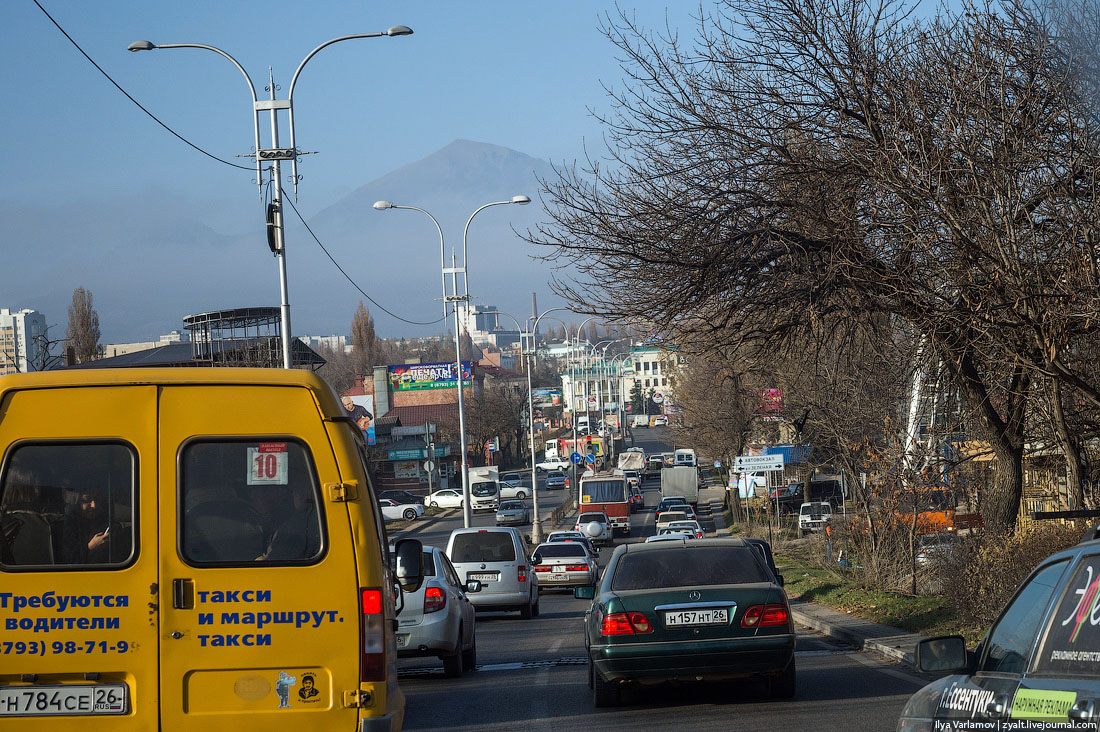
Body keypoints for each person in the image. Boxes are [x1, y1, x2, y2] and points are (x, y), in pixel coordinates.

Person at [62, 489, 113, 564]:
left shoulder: (104, 522)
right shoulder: (68, 525)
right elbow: (67, 560)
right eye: (87, 500)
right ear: (77, 502)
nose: (94, 505)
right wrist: (90, 547)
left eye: (97, 500)